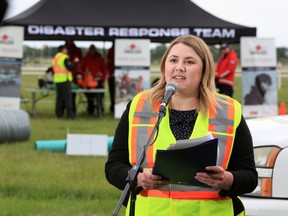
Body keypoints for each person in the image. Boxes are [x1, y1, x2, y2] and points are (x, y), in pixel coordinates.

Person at [105, 35, 258, 216]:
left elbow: (249, 177)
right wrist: (138, 179)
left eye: (189, 61)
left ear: (204, 69)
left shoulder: (228, 111)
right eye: (173, 60)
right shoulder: (139, 106)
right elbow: (113, 167)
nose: (179, 67)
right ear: (164, 66)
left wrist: (226, 180)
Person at [52, 45, 79, 119]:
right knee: (68, 98)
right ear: (63, 50)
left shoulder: (55, 58)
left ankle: (59, 114)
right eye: (65, 49)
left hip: (57, 80)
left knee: (59, 98)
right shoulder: (64, 58)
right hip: (64, 80)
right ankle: (70, 115)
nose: (66, 50)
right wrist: (76, 63)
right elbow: (70, 68)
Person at [81, 44, 106, 115]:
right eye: (91, 49)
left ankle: (100, 110)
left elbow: (104, 69)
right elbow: (81, 69)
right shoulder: (86, 58)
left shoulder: (99, 58)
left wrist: (103, 78)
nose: (92, 51)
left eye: (93, 49)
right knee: (90, 97)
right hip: (89, 82)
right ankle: (90, 110)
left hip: (98, 81)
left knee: (99, 97)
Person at [65, 39, 83, 115]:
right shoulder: (64, 53)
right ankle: (69, 112)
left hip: (73, 76)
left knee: (72, 96)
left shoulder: (76, 51)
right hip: (67, 77)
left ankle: (72, 111)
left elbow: (78, 64)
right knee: (67, 96)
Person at [106, 43, 115, 113]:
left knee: (112, 93)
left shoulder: (110, 51)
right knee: (112, 93)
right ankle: (112, 107)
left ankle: (112, 107)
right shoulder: (111, 51)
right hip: (112, 75)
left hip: (111, 75)